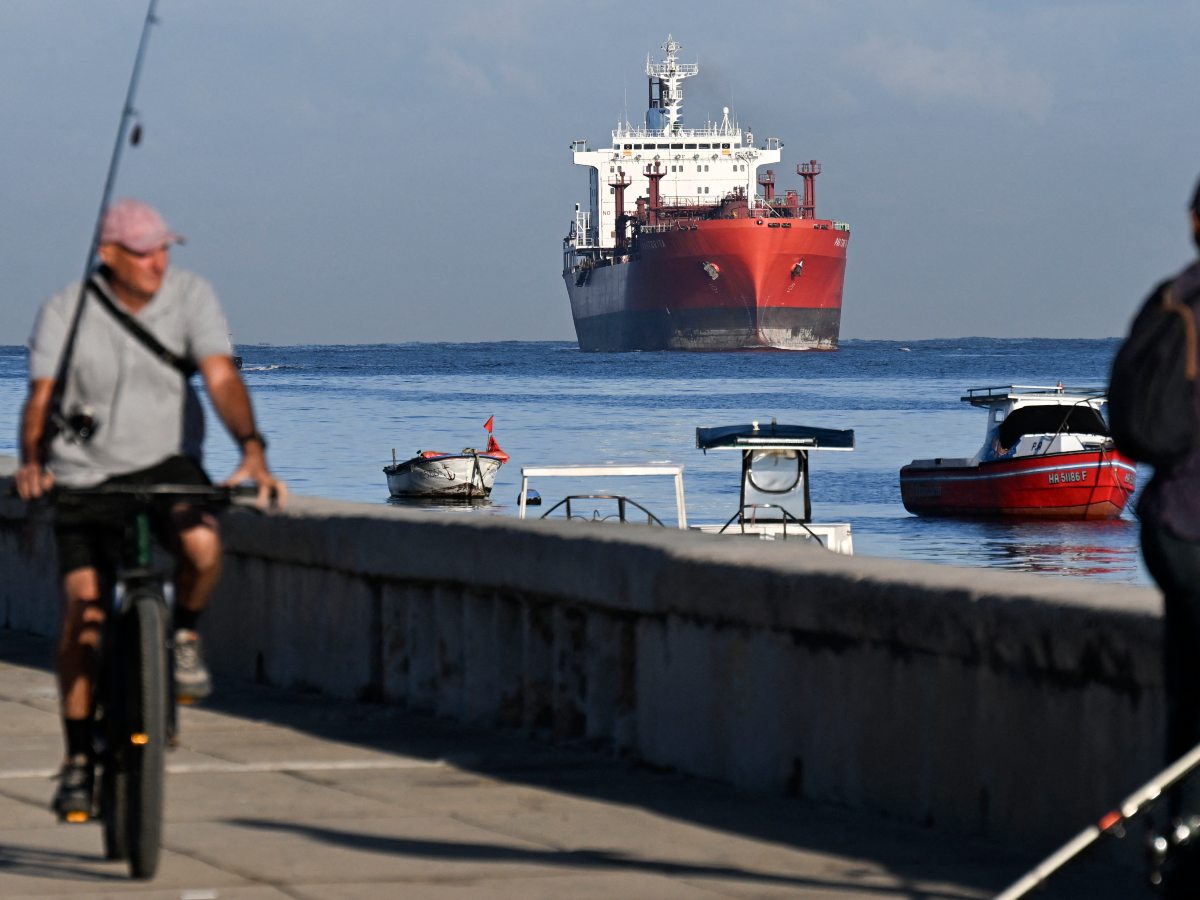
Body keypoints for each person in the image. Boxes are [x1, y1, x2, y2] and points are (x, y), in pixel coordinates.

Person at [14, 198, 288, 821]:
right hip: (84, 475)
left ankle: (183, 634)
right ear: (109, 255)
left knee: (202, 545)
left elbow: (220, 377)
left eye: (165, 248)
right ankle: (80, 759)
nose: (159, 262)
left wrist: (252, 451)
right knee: (82, 613)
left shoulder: (190, 298)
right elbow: (41, 398)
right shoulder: (67, 311)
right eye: (145, 252)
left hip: (168, 464)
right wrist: (32, 459)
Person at [1137, 178, 1200, 896]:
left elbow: (1141, 426)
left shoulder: (1170, 299)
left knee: (1187, 687)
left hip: (1170, 523)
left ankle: (1175, 834)